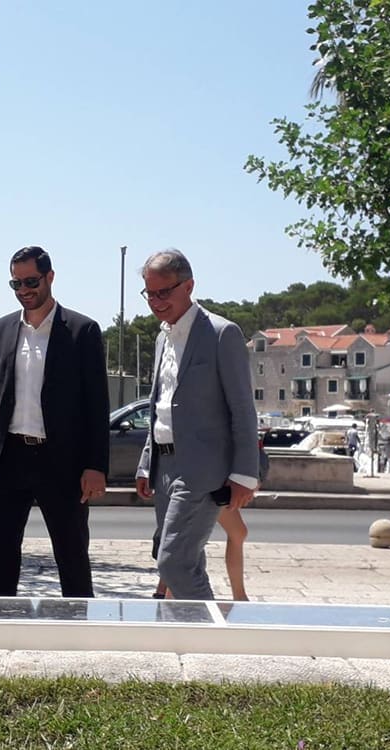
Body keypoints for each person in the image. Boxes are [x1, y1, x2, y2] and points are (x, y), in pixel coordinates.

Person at [0, 246, 109, 597]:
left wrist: (95, 465)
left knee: (72, 555)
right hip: (8, 459)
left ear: (50, 277)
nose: (23, 290)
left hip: (61, 461)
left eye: (31, 281)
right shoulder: (2, 329)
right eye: (15, 283)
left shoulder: (82, 330)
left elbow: (97, 404)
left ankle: (80, 624)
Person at [135, 249, 259, 600]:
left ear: (188, 286)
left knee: (173, 563)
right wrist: (146, 463)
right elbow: (160, 405)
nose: (156, 302)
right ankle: (190, 628)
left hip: (202, 470)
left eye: (164, 292)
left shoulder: (221, 334)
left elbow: (243, 409)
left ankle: (210, 628)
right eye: (149, 294)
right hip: (164, 467)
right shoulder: (162, 337)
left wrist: (244, 474)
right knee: (185, 560)